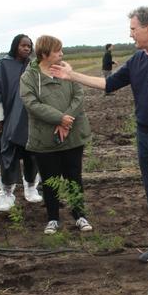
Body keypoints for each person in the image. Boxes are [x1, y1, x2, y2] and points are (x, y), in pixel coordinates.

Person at [50, 6, 148, 275]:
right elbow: (108, 84)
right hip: (144, 136)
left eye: (134, 29)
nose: (131, 33)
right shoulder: (138, 61)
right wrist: (71, 75)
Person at [20, 35, 93, 235]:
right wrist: (58, 118)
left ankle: (80, 216)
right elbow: (32, 103)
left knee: (74, 177)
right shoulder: (29, 77)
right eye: (57, 51)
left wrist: (67, 119)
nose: (62, 54)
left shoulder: (67, 72)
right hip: (44, 138)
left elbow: (79, 95)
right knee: (50, 179)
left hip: (73, 135)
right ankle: (53, 218)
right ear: (44, 54)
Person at [0, 34, 43, 212]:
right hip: (7, 121)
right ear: (15, 46)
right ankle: (7, 192)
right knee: (7, 156)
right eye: (23, 45)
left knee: (32, 154)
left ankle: (31, 186)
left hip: (29, 120)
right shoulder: (2, 66)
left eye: (29, 46)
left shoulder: (34, 66)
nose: (27, 48)